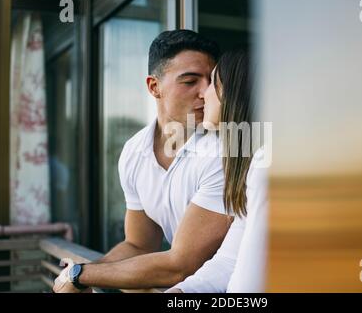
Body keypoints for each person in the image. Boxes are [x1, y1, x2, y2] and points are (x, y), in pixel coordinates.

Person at [53, 30, 236, 292]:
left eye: (210, 81)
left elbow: (181, 265)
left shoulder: (224, 150)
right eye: (190, 81)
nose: (205, 92)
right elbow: (138, 245)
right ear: (154, 87)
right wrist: (81, 279)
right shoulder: (134, 151)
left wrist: (82, 275)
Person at [166, 49, 269, 293]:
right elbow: (229, 260)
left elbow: (247, 291)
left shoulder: (267, 165)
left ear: (233, 92)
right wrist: (181, 293)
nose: (203, 93)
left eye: (212, 82)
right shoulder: (254, 163)